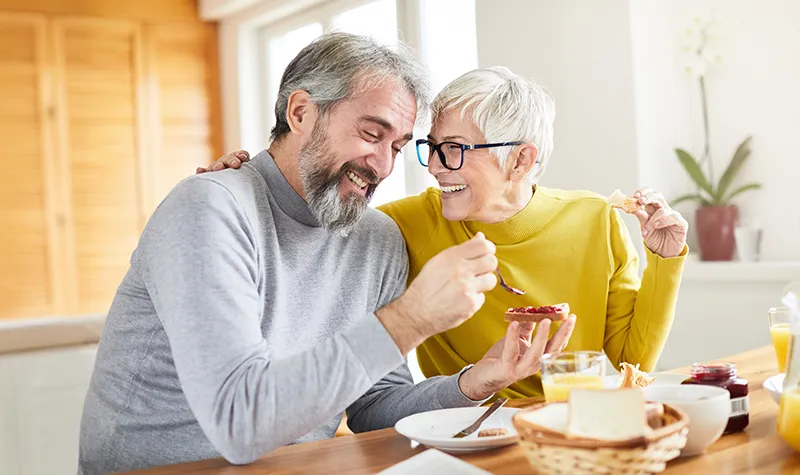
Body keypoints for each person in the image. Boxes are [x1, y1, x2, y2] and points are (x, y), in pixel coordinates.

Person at [78, 34, 574, 475]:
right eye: (370, 133)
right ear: (300, 113)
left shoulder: (375, 239)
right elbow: (239, 422)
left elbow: (374, 406)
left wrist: (475, 382)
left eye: (398, 147)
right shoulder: (209, 207)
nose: (382, 164)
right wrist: (412, 318)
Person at [208, 65, 688, 400]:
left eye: (454, 149)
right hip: (463, 437)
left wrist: (665, 262)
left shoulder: (595, 219)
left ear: (521, 158)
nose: (435, 167)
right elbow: (310, 222)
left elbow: (629, 363)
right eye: (431, 147)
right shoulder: (404, 225)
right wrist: (247, 186)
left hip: (573, 430)